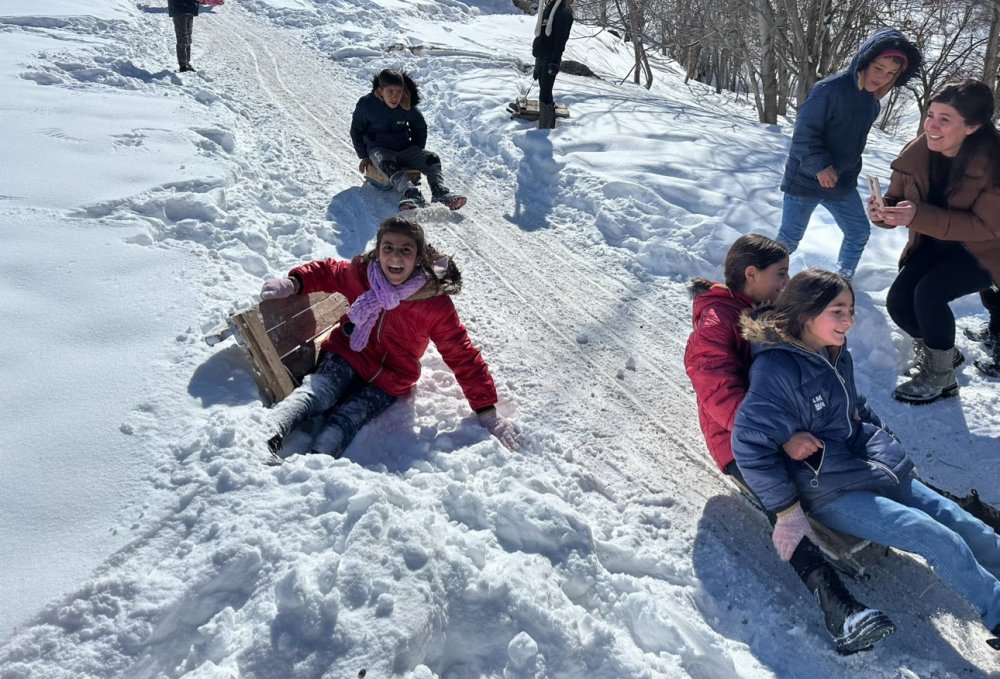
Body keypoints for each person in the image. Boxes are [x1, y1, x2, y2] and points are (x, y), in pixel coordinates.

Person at [732, 269, 1000, 651]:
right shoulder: (778, 370)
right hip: (830, 489)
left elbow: (854, 406)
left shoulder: (834, 351)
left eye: (851, 310)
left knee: (970, 527)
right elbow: (748, 442)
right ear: (807, 314)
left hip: (868, 463)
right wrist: (786, 509)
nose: (849, 320)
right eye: (838, 311)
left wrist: (885, 440)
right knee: (938, 538)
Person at [685, 236, 894, 655]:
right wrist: (779, 434)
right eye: (780, 274)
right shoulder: (715, 324)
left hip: (791, 427)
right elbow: (718, 392)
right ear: (751, 275)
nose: (786, 282)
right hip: (739, 440)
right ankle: (840, 611)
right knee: (783, 506)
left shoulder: (760, 310)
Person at [258, 216, 517, 460]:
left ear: (418, 258)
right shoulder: (362, 275)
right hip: (347, 353)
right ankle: (268, 435)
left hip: (389, 378)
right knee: (319, 391)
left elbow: (461, 354)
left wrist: (486, 409)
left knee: (349, 415)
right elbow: (328, 271)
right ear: (378, 250)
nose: (395, 256)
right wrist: (295, 282)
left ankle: (316, 462)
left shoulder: (433, 304)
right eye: (388, 247)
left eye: (406, 250)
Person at [870, 80, 1000, 402]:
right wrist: (882, 211)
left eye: (945, 119)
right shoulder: (916, 152)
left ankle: (941, 378)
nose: (931, 125)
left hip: (985, 251)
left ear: (972, 127)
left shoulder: (995, 164)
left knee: (929, 293)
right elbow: (898, 198)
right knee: (899, 302)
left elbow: (986, 226)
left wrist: (917, 216)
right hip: (933, 242)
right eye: (931, 114)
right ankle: (941, 351)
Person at [776, 28, 921, 280]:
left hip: (841, 185)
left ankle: (841, 281)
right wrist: (821, 166)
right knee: (789, 240)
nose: (882, 77)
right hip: (805, 181)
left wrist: (851, 174)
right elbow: (803, 137)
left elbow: (852, 144)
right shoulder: (828, 90)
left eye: (890, 74)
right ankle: (756, 283)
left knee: (858, 233)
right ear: (864, 60)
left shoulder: (871, 103)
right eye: (878, 68)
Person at [351, 69, 466, 212]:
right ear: (380, 91)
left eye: (398, 92)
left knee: (432, 158)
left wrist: (417, 152)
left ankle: (440, 191)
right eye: (390, 92)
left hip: (404, 147)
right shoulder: (367, 105)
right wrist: (363, 156)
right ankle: (410, 192)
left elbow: (420, 127)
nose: (395, 97)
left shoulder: (406, 104)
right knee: (386, 161)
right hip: (379, 149)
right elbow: (356, 130)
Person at [531, 0, 573, 130]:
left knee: (545, 93)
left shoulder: (564, 12)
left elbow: (561, 40)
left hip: (551, 59)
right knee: (544, 92)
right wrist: (537, 62)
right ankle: (546, 123)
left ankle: (546, 128)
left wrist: (554, 62)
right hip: (542, 56)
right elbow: (540, 36)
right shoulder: (548, 8)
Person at [167, 0, 199, 72]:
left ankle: (186, 63)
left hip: (190, 9)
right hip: (179, 10)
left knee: (188, 38)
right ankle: (183, 65)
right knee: (182, 38)